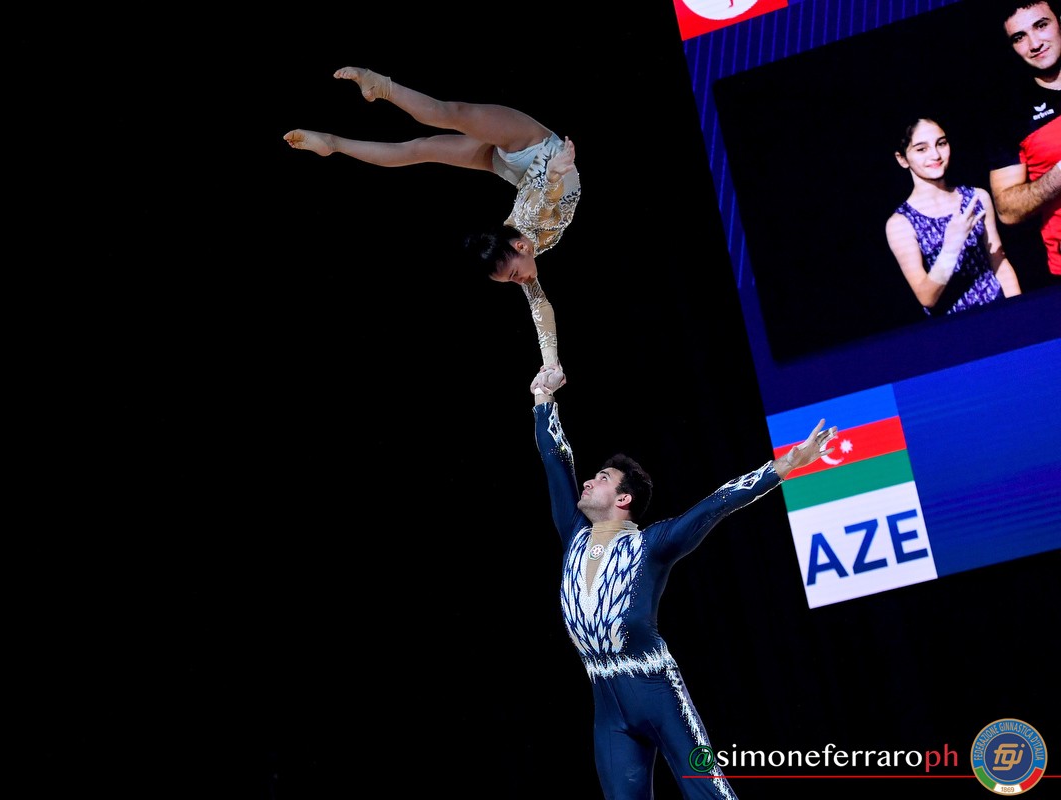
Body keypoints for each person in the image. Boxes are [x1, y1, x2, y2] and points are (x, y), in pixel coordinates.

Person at [527, 365, 838, 800]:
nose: (588, 480)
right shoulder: (573, 533)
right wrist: (544, 398)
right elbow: (555, 461)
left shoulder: (652, 544)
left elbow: (716, 504)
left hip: (658, 694)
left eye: (602, 478)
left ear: (623, 499)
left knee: (709, 795)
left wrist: (784, 465)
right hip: (607, 707)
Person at [284, 66, 579, 367]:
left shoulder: (523, 243)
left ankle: (338, 136)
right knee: (444, 123)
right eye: (514, 277)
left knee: (422, 146)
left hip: (529, 165)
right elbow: (545, 205)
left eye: (513, 278)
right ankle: (365, 104)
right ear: (521, 247)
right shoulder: (527, 231)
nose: (521, 282)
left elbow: (539, 298)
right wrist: (554, 174)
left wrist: (551, 364)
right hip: (536, 151)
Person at [885, 117, 1022, 316]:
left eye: (941, 144)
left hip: (998, 309)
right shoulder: (901, 223)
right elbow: (926, 297)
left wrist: (1019, 310)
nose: (935, 155)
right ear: (902, 159)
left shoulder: (976, 197)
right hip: (955, 325)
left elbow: (999, 263)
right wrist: (951, 246)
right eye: (921, 149)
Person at [987, 1, 1061, 278]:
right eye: (1020, 37)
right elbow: (1007, 210)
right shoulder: (1010, 116)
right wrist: (1057, 176)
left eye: (1041, 25)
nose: (1035, 44)